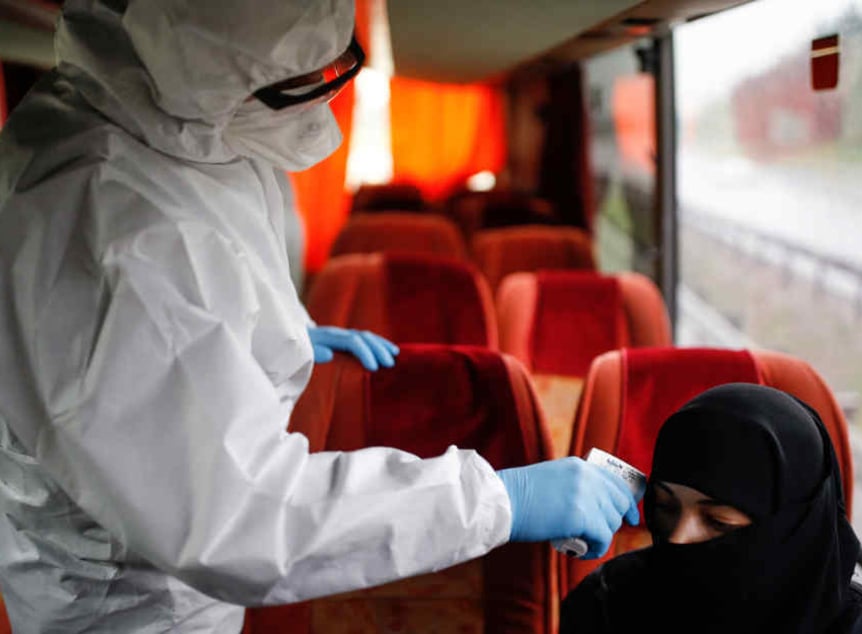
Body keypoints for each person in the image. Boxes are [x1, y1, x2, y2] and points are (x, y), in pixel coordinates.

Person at [0, 1, 638, 631]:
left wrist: (258, 335)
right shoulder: (114, 218)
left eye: (335, 74)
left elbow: (179, 299)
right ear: (214, 78)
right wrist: (499, 499)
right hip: (133, 610)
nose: (321, 119)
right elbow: (241, 519)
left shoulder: (141, 122)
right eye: (293, 90)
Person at [560, 383, 862, 634]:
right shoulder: (605, 605)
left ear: (791, 529)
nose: (677, 538)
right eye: (666, 508)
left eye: (717, 521)